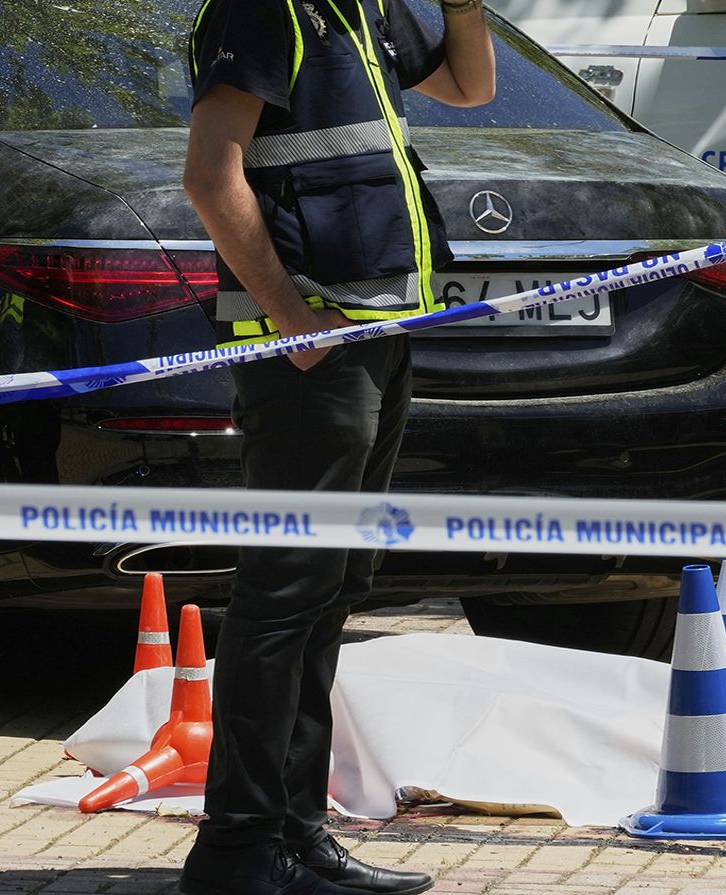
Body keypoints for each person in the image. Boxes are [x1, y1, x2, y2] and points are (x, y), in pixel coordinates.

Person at [179, 0, 494, 890]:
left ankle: (296, 833)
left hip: (376, 335)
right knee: (285, 595)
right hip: (310, 352)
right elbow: (210, 173)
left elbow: (471, 86)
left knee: (327, 592)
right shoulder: (262, 7)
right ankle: (239, 849)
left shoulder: (367, 10)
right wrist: (292, 319)